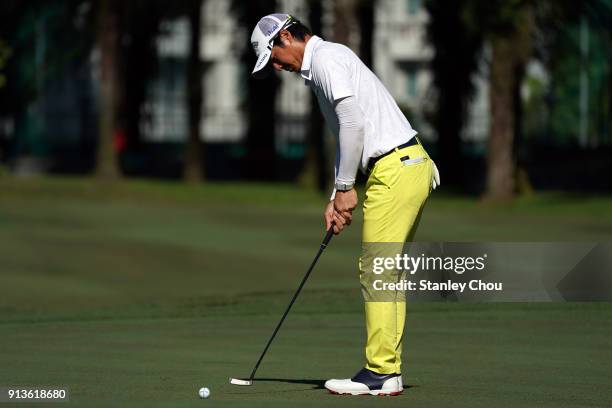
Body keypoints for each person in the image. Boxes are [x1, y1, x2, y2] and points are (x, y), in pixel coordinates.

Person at [250, 13, 439, 396]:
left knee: (377, 270)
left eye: (274, 57)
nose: (276, 67)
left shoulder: (325, 60)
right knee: (388, 271)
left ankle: (381, 372)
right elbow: (346, 136)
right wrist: (336, 198)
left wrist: (346, 187)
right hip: (407, 166)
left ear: (286, 36)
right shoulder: (324, 65)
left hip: (396, 168)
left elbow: (353, 124)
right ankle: (389, 372)